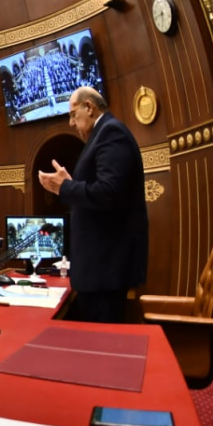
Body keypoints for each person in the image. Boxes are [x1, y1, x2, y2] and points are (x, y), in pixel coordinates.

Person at [38, 86, 148, 324]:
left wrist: (65, 187)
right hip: (98, 272)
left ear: (89, 107)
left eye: (72, 114)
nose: (70, 122)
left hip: (106, 271)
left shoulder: (111, 133)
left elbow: (108, 193)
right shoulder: (103, 135)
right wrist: (70, 183)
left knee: (102, 347)